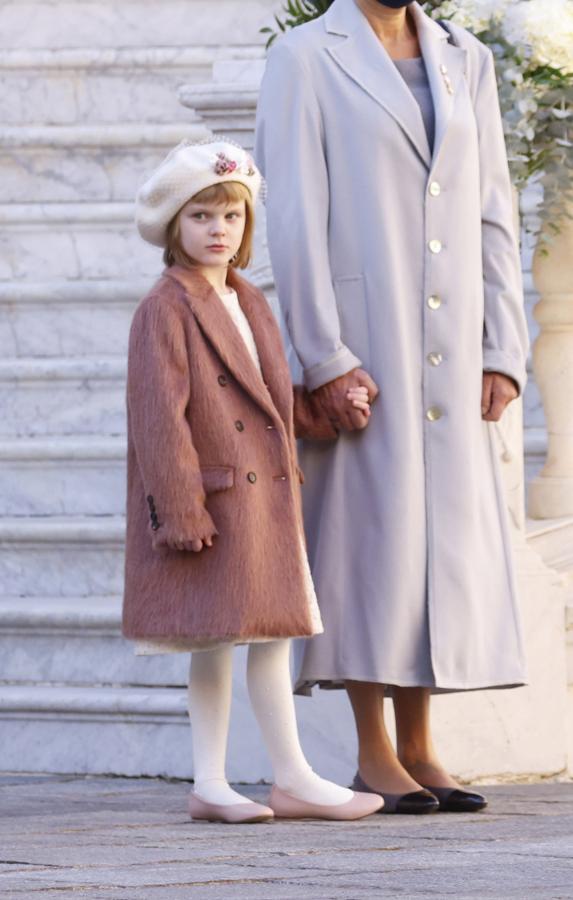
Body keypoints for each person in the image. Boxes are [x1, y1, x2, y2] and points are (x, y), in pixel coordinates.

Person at [255, 0, 529, 813]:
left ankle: (419, 745)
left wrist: (500, 349)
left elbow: (492, 209)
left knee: (432, 543)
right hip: (364, 343)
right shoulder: (305, 56)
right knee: (367, 540)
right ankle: (373, 750)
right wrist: (323, 356)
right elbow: (294, 215)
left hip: (451, 345)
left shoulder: (464, 57)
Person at [121, 138, 383, 824]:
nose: (218, 230)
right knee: (211, 641)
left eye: (230, 217)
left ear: (246, 227)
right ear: (174, 225)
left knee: (270, 635)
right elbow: (157, 419)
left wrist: (326, 408)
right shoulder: (165, 306)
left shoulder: (246, 297)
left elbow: (266, 402)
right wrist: (179, 511)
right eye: (201, 216)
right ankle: (209, 781)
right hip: (212, 501)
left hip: (263, 495)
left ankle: (291, 775)